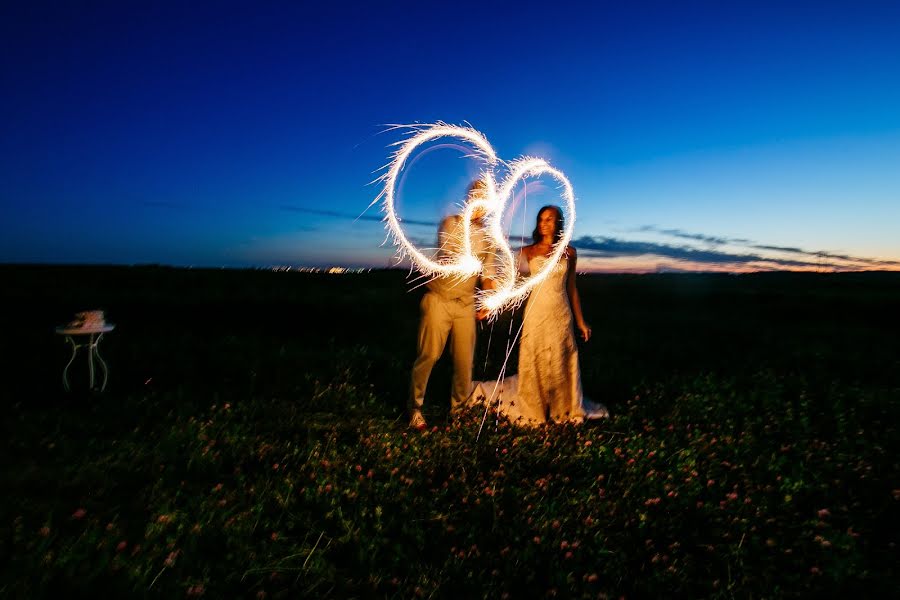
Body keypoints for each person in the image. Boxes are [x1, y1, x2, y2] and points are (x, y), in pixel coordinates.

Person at [473, 205, 607, 424]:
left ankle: (562, 406)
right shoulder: (528, 252)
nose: (545, 223)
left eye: (550, 219)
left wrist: (581, 322)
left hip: (560, 313)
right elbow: (510, 283)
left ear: (558, 223)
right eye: (542, 219)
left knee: (560, 360)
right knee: (536, 360)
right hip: (536, 312)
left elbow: (572, 288)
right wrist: (491, 304)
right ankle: (536, 407)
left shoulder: (569, 252)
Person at [408, 180, 495, 429]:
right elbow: (450, 257)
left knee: (464, 361)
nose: (479, 203)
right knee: (429, 355)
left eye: (484, 198)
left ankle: (459, 411)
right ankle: (415, 408)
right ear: (469, 199)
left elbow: (487, 276)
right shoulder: (451, 224)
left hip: (466, 305)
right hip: (439, 299)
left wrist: (490, 298)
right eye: (476, 195)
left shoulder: (488, 239)